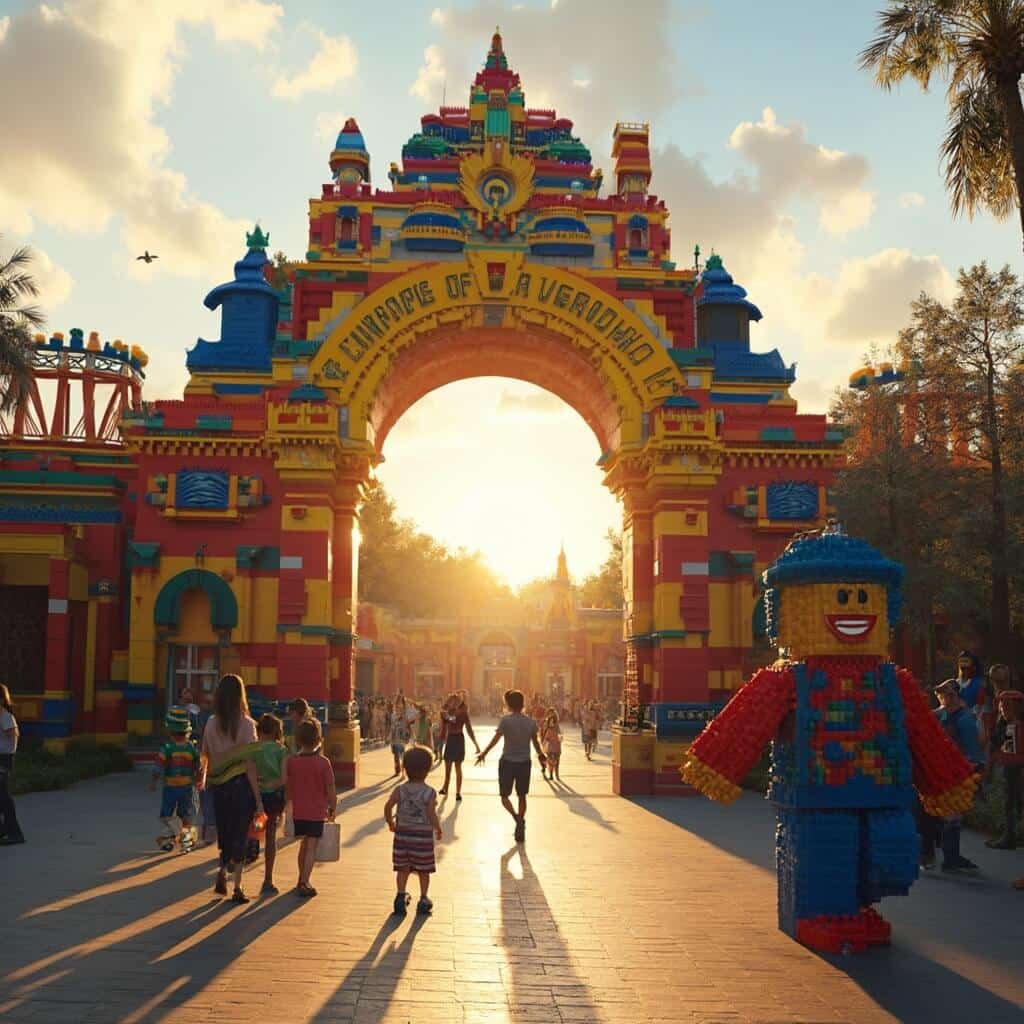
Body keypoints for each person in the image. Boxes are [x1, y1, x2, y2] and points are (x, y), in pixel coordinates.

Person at [199, 674, 263, 904]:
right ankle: (237, 887)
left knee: (225, 832)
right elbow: (251, 764)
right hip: (240, 787)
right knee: (240, 835)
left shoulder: (210, 723)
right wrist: (258, 799)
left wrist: (204, 779)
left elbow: (204, 755)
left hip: (219, 786)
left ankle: (221, 870)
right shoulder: (247, 725)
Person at [475, 689, 547, 843]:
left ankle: (517, 819)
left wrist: (484, 753)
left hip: (507, 762)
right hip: (524, 763)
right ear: (523, 704)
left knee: (504, 796)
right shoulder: (530, 722)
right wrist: (541, 756)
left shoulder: (506, 721)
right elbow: (535, 743)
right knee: (522, 795)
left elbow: (496, 739)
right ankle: (521, 820)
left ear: (508, 704)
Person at [933, 678, 984, 874]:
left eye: (949, 694)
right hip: (944, 770)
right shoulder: (941, 715)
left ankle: (951, 856)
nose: (945, 698)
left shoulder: (964, 719)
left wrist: (975, 768)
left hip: (961, 770)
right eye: (942, 694)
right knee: (949, 815)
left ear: (956, 696)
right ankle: (949, 856)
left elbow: (972, 748)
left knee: (954, 815)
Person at [385, 745, 443, 916]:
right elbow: (431, 814)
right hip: (422, 838)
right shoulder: (429, 793)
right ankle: (423, 899)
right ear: (427, 769)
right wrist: (437, 827)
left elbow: (388, 806)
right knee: (423, 870)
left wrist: (390, 822)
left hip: (402, 835)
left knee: (403, 868)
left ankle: (400, 897)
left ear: (405, 767)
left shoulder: (400, 790)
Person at [286, 717, 337, 898]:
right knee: (311, 847)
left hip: (299, 811)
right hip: (316, 811)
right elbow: (330, 788)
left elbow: (288, 785)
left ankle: (301, 877)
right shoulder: (323, 762)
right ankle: (304, 882)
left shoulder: (291, 761)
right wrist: (333, 806)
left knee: (303, 844)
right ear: (318, 739)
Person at [149, 706, 200, 852]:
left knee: (167, 815)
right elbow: (199, 766)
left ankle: (173, 836)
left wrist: (153, 781)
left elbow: (158, 766)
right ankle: (184, 838)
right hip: (187, 788)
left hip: (172, 788)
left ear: (169, 731)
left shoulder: (167, 748)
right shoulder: (191, 749)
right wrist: (199, 778)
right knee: (185, 816)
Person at [252, 713, 289, 894]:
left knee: (252, 832)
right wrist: (270, 784)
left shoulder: (254, 749)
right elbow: (284, 779)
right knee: (271, 837)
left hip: (255, 797)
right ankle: (268, 878)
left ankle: (237, 875)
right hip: (274, 799)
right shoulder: (281, 750)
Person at [986, 689, 1024, 853]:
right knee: (1011, 802)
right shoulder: (1008, 725)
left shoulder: (1015, 726)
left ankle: (1010, 837)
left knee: (1012, 802)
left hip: (1015, 769)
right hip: (1011, 768)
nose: (1002, 707)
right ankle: (1009, 836)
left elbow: (1011, 753)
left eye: (1006, 704)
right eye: (1001, 704)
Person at [439, 693, 480, 800]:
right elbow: (445, 716)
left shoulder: (462, 713)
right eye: (452, 701)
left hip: (458, 739)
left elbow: (469, 729)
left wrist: (476, 744)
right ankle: (445, 788)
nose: (453, 703)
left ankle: (458, 792)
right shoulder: (449, 712)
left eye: (455, 701)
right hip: (451, 739)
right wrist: (447, 703)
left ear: (459, 702)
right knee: (447, 768)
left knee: (458, 767)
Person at [0, 684, 24, 845]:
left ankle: (15, 834)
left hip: (3, 759)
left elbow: (13, 736)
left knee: (4, 797)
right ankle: (3, 831)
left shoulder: (5, 716)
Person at [389, 702, 412, 777]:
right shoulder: (392, 716)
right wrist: (389, 736)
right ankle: (397, 770)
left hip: (401, 739)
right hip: (394, 739)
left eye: (399, 708)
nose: (397, 709)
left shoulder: (405, 717)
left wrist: (408, 737)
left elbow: (408, 727)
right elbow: (392, 727)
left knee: (402, 756)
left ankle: (403, 772)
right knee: (395, 756)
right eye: (396, 708)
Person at [541, 709, 562, 782]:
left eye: (553, 721)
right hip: (550, 747)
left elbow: (560, 737)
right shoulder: (547, 728)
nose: (551, 723)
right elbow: (545, 737)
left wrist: (558, 738)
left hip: (556, 747)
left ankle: (557, 774)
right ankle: (551, 775)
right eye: (550, 721)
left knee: (557, 761)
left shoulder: (557, 727)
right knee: (550, 761)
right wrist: (544, 743)